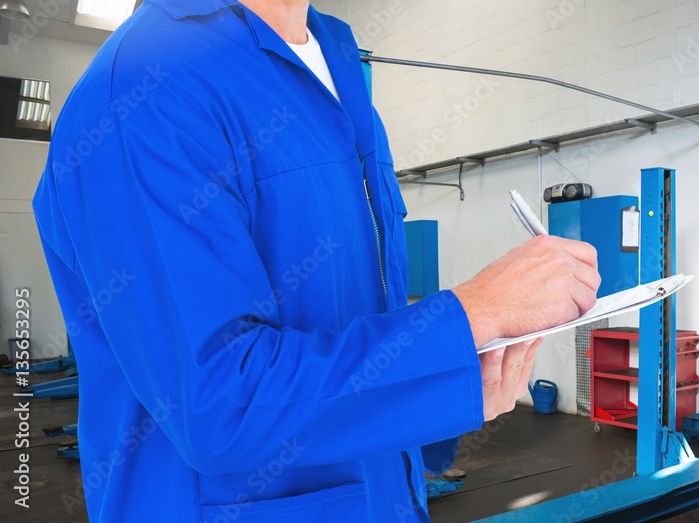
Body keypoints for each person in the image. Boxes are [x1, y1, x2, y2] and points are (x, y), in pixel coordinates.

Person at [31, 0, 600, 521]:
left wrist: (453, 374)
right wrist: (474, 314)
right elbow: (218, 402)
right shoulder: (145, 87)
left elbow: (345, 314)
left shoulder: (333, 71)